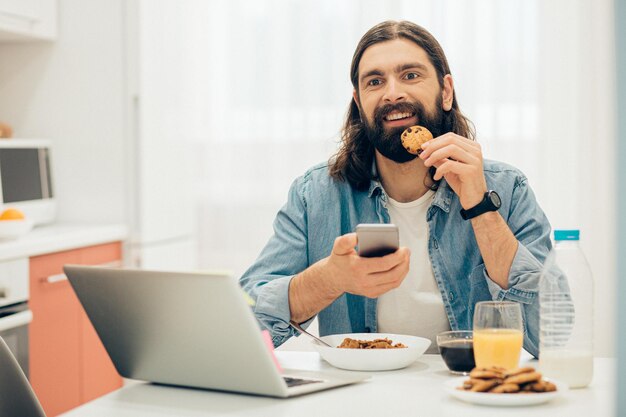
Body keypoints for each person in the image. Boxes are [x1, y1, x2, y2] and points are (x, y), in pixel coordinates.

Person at [240, 20, 561, 357]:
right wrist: (328, 279)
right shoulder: (315, 195)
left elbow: (554, 338)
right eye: (375, 81)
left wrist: (481, 208)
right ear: (359, 102)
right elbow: (244, 324)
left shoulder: (506, 189)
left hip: (468, 394)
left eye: (410, 75)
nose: (392, 93)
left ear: (446, 91)